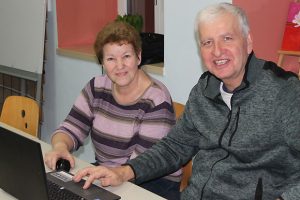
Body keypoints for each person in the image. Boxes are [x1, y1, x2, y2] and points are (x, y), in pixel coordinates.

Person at [72, 3, 300, 200]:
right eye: (207, 42)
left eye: (227, 38)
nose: (217, 51)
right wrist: (124, 172)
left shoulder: (284, 92)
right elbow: (175, 147)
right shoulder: (204, 90)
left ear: (248, 42)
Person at [44, 21, 181, 199]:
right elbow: (71, 127)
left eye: (126, 56)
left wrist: (103, 175)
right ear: (102, 62)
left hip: (151, 185)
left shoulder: (156, 100)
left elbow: (142, 165)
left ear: (138, 57)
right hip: (108, 175)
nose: (119, 65)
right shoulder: (97, 87)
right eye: (111, 59)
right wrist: (60, 147)